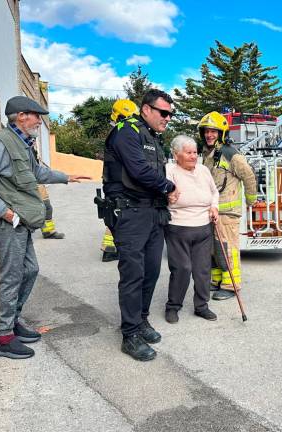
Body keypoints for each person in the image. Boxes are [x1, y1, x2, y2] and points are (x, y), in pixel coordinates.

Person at [0, 95, 89, 360]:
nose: (39, 120)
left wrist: (66, 177)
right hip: (8, 222)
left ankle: (13, 321)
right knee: (13, 276)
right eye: (36, 115)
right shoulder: (1, 144)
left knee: (30, 270)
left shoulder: (23, 144)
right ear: (21, 116)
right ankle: (4, 338)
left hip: (22, 222)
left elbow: (36, 174)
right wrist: (6, 213)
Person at [102, 89, 177, 361]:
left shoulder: (153, 138)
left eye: (170, 114)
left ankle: (142, 320)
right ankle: (130, 334)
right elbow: (137, 170)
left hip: (152, 212)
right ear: (146, 109)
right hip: (130, 213)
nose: (167, 118)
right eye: (163, 112)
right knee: (133, 274)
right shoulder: (127, 130)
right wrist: (169, 187)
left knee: (151, 271)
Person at [199, 111, 258, 301]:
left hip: (227, 212)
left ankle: (231, 285)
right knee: (213, 249)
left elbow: (248, 176)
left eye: (213, 132)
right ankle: (217, 280)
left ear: (221, 133)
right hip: (213, 210)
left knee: (227, 248)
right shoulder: (207, 152)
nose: (209, 135)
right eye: (206, 131)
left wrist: (251, 200)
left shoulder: (230, 154)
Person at [164, 135, 219, 324]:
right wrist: (167, 195)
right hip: (178, 227)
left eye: (195, 152)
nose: (193, 156)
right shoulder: (170, 170)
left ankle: (202, 306)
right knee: (182, 268)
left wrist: (214, 207)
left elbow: (214, 192)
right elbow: (163, 191)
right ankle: (173, 306)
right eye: (188, 152)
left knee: (202, 270)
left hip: (203, 227)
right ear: (176, 154)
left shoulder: (203, 170)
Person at [100, 99, 140, 262]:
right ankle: (113, 249)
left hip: (112, 185)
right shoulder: (122, 136)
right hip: (120, 187)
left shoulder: (115, 134)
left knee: (115, 218)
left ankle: (110, 248)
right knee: (120, 218)